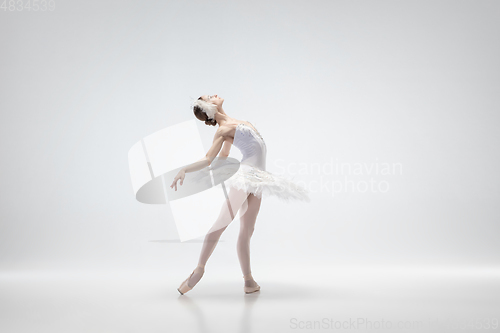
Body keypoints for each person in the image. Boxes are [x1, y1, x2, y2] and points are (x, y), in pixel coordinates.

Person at [170, 94, 310, 294]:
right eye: (209, 97)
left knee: (247, 231)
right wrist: (186, 169)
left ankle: (249, 281)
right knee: (222, 222)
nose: (214, 95)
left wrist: (218, 167)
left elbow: (225, 155)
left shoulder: (234, 124)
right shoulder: (223, 130)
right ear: (208, 107)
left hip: (258, 178)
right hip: (245, 177)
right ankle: (199, 270)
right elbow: (209, 158)